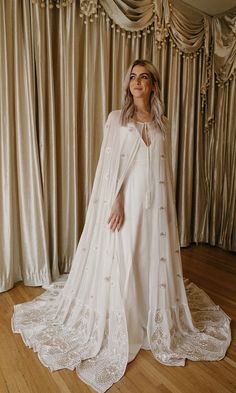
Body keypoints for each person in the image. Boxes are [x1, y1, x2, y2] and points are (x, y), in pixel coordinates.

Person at [12, 60, 231, 393]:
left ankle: (146, 315)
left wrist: (167, 214)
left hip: (153, 208)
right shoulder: (117, 119)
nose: (137, 81)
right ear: (128, 84)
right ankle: (120, 317)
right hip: (125, 206)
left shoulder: (163, 124)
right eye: (133, 76)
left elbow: (164, 173)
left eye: (144, 77)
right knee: (124, 259)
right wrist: (115, 201)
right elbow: (108, 168)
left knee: (145, 259)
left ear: (153, 85)